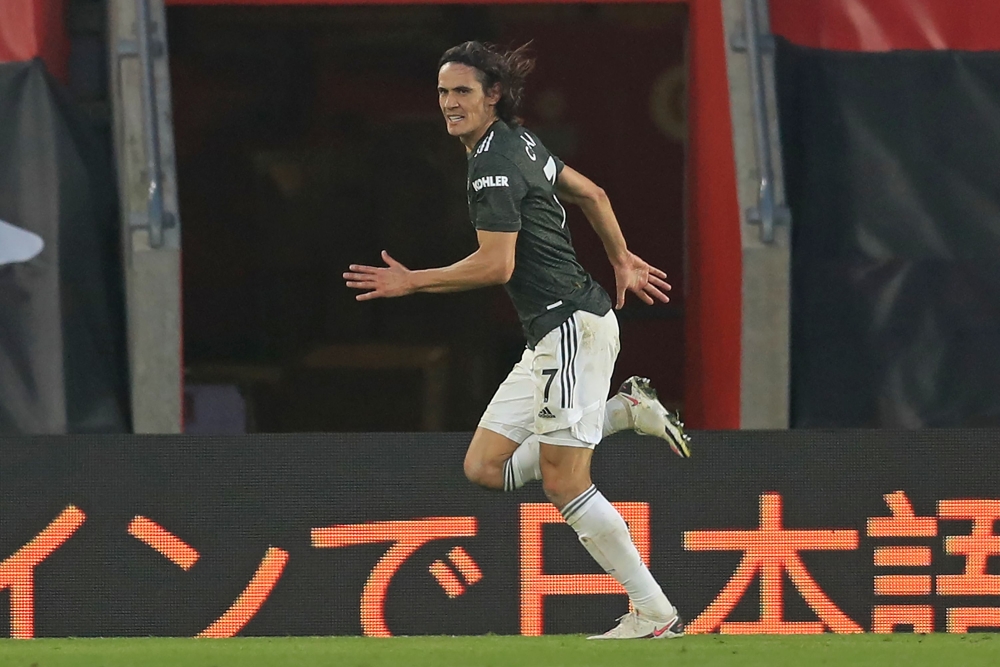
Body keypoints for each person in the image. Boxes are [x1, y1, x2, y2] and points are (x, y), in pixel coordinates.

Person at [344, 41, 691, 639]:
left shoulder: (493, 164)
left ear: (493, 95)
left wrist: (411, 281)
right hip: (551, 334)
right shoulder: (520, 142)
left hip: (570, 326)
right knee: (485, 467)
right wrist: (620, 258)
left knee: (564, 481)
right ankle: (624, 412)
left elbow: (496, 265)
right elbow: (592, 194)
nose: (450, 103)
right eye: (443, 92)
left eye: (462, 91)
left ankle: (654, 614)